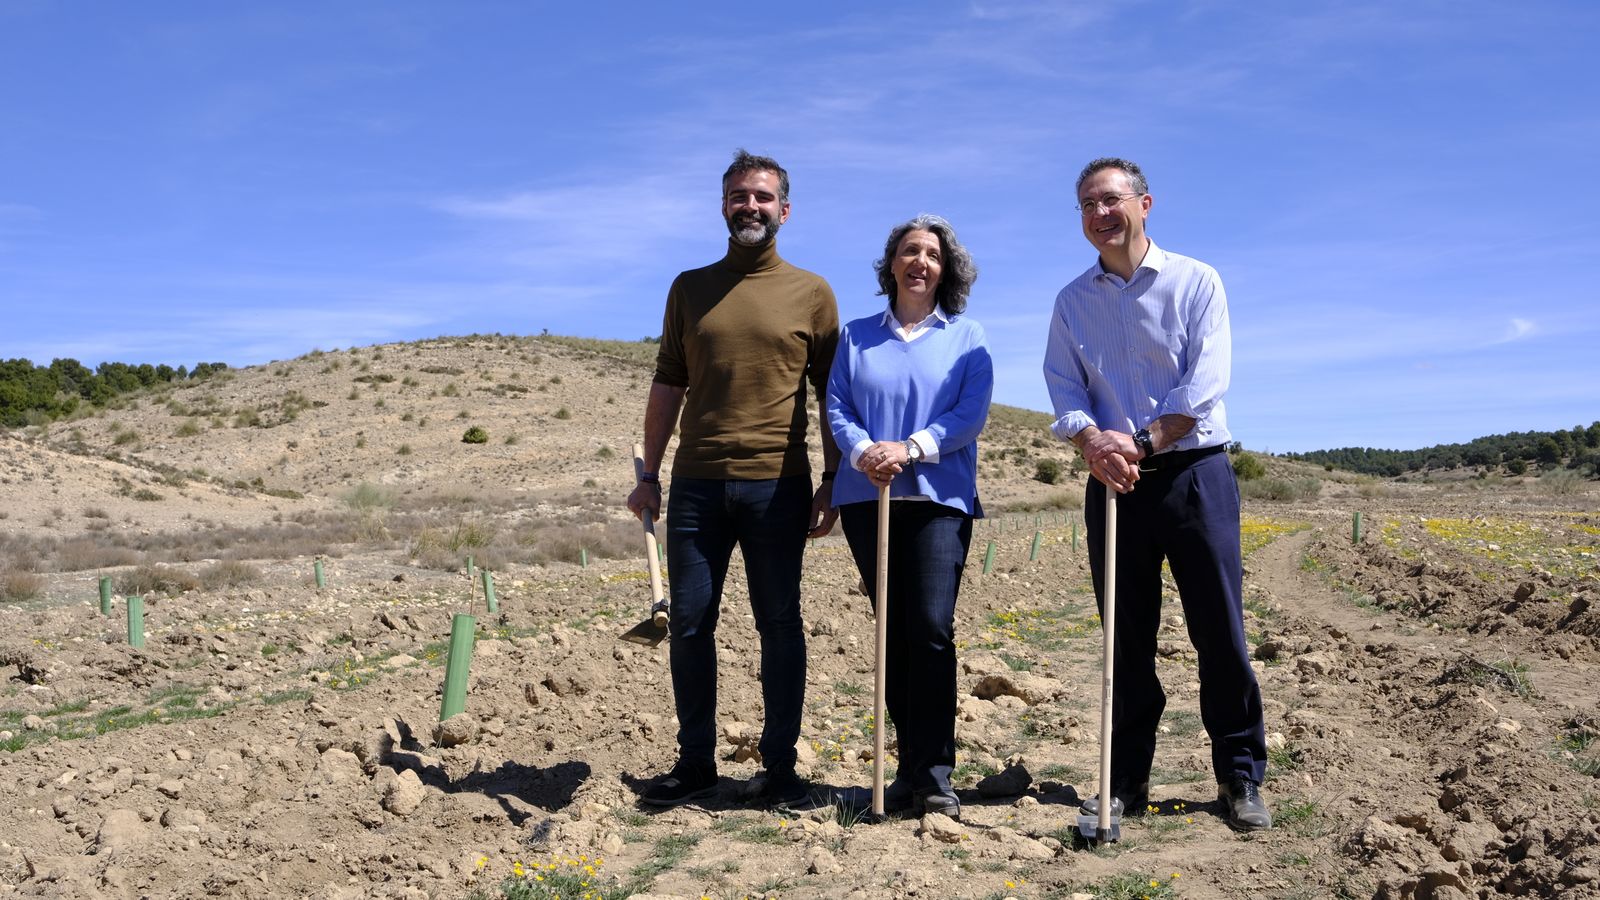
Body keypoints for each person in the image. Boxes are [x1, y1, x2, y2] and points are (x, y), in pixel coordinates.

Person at [1042, 158, 1272, 830]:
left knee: (1219, 630)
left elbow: (1204, 385)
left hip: (1193, 473)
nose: (1100, 214)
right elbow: (1064, 388)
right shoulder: (1070, 301)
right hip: (1113, 483)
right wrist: (1092, 445)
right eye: (1086, 204)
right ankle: (1124, 785)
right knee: (1127, 638)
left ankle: (1240, 777)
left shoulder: (1196, 281)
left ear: (1145, 203)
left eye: (1111, 200)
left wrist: (1139, 443)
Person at [626, 149, 841, 810]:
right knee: (689, 621)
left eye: (763, 197)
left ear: (785, 209)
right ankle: (695, 766)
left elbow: (832, 392)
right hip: (696, 487)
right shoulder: (689, 288)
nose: (751, 206)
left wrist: (833, 477)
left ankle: (781, 769)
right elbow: (668, 380)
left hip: (778, 486)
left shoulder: (812, 293)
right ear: (724, 205)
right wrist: (650, 474)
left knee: (780, 622)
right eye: (740, 196)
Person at [827, 215, 992, 820]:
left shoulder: (968, 336)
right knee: (890, 630)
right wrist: (864, 451)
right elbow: (838, 403)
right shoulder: (856, 335)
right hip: (867, 496)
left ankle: (935, 772)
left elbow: (969, 414)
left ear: (946, 269)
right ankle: (905, 773)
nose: (920, 261)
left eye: (932, 253)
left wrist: (911, 447)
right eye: (908, 251)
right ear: (890, 265)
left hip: (937, 497)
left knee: (928, 627)